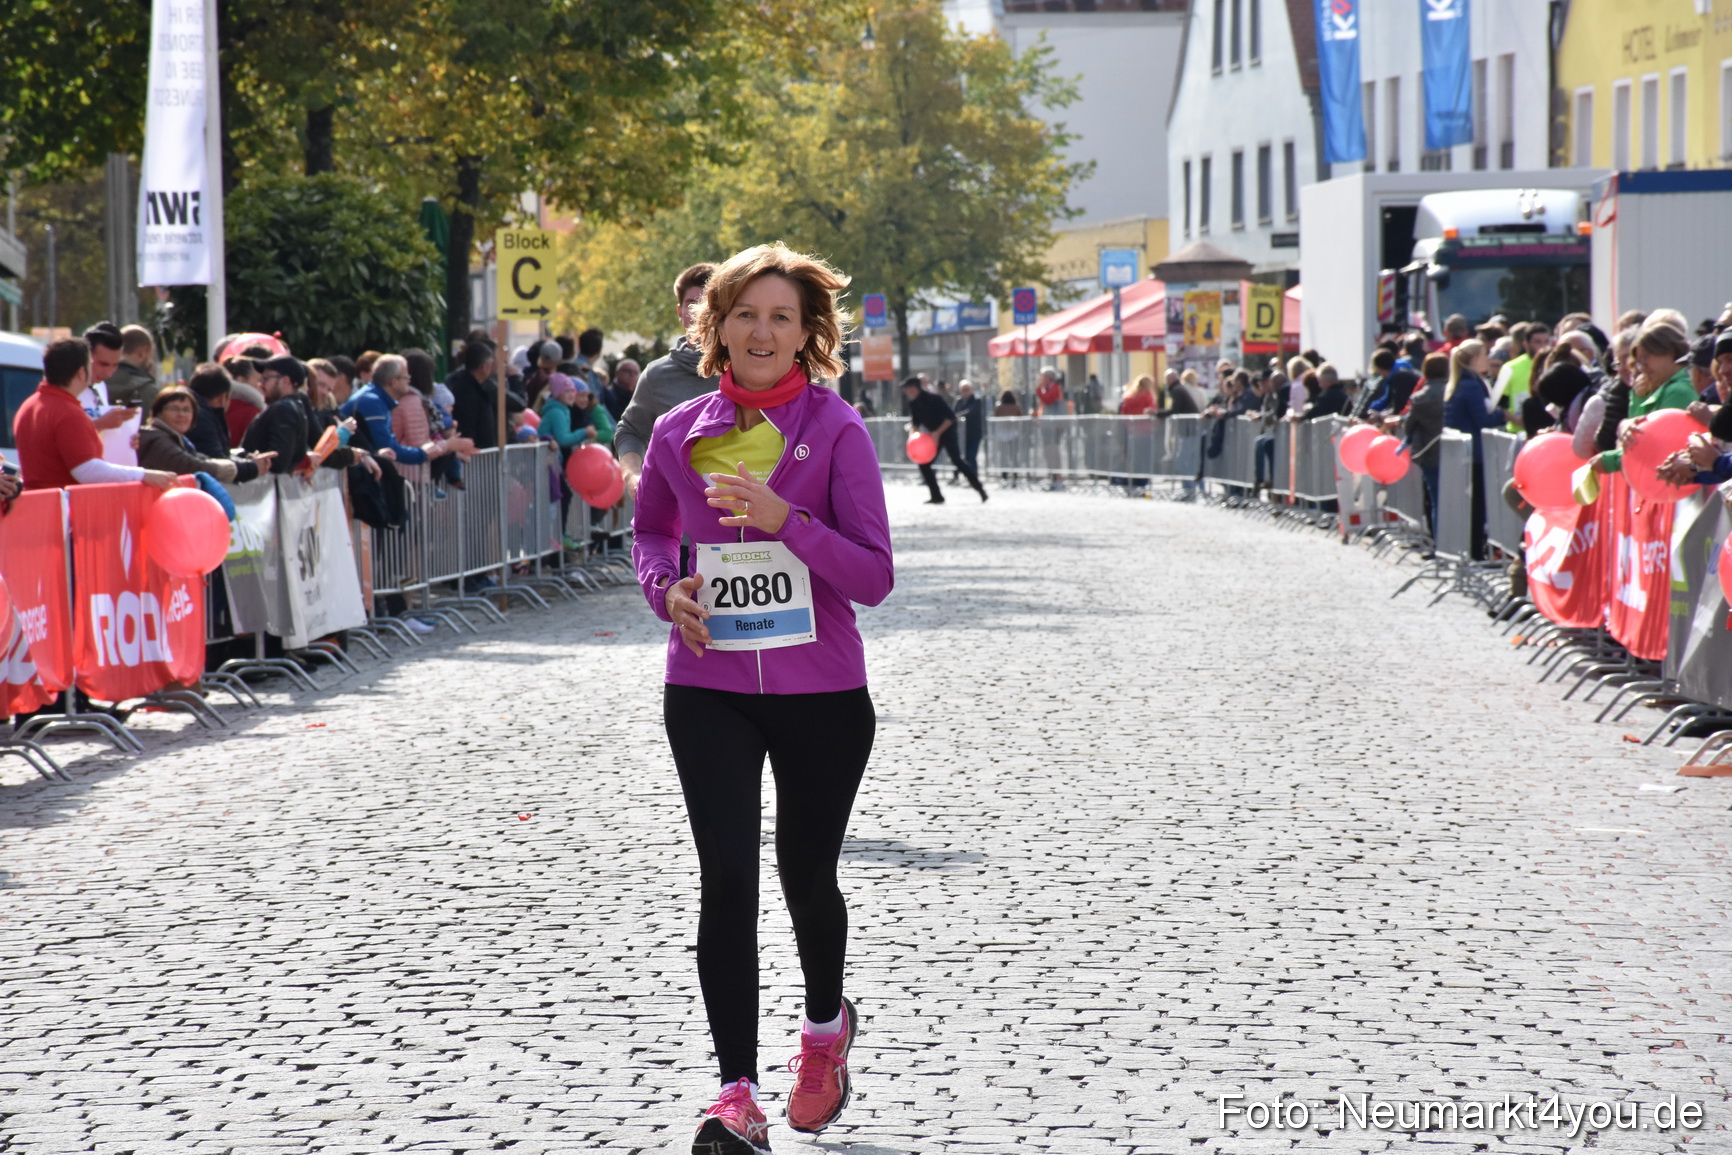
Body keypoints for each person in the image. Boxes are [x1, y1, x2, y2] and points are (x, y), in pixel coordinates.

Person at [631, 242, 892, 1150]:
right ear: (717, 324)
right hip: (707, 686)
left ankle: (824, 1031)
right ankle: (734, 1092)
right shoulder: (680, 431)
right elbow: (651, 533)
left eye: (783, 316)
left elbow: (875, 576)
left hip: (823, 690)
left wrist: (791, 522)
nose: (763, 330)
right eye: (747, 313)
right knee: (726, 884)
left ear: (808, 333)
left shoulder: (840, 432)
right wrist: (665, 590)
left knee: (805, 876)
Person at [14, 338, 176, 491]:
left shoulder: (28, 406)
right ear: (81, 373)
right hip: (66, 512)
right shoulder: (68, 412)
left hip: (39, 508)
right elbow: (87, 470)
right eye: (91, 365)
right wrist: (142, 474)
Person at [618, 263, 721, 497]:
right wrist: (633, 476)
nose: (699, 311)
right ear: (679, 313)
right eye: (691, 304)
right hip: (677, 520)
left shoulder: (751, 369)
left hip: (742, 521)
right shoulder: (657, 376)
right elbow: (629, 430)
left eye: (708, 303)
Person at [1589, 320, 1699, 481]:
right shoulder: (1662, 389)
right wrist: (1638, 398)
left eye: (1646, 357)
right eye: (1639, 361)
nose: (1642, 367)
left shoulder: (1678, 390)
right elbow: (1634, 435)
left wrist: (1610, 461)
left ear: (1670, 352)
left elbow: (1651, 446)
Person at [1442, 339, 1504, 558]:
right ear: (1474, 359)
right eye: (1484, 354)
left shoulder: (1462, 382)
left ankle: (1472, 548)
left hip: (1467, 453)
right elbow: (1483, 419)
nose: (1487, 358)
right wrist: (1502, 414)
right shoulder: (1470, 385)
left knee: (1472, 504)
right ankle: (1476, 551)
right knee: (1477, 505)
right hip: (1475, 454)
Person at [138, 386, 273, 482]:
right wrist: (251, 468)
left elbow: (203, 458)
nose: (181, 415)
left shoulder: (179, 440)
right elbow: (194, 466)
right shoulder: (158, 439)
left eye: (187, 410)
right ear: (158, 413)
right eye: (174, 409)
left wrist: (247, 461)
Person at [902, 376, 987, 503]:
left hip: (947, 432)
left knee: (957, 461)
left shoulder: (934, 398)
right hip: (933, 435)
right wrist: (912, 436)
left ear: (914, 388)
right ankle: (936, 496)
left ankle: (980, 490)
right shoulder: (913, 403)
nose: (905, 392)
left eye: (907, 388)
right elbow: (915, 424)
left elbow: (950, 418)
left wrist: (937, 433)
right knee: (924, 464)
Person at [448, 340, 501, 450]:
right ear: (484, 366)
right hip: (473, 455)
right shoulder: (467, 390)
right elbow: (467, 425)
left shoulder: (467, 385)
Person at [104, 324, 159, 409]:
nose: (152, 360)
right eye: (151, 354)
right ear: (143, 352)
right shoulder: (148, 390)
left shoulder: (97, 383)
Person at [953, 380, 984, 478]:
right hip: (962, 435)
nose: (965, 392)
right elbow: (953, 413)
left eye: (967, 390)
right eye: (963, 390)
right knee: (961, 457)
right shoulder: (958, 401)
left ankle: (973, 476)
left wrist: (959, 416)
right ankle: (957, 476)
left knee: (971, 456)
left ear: (971, 390)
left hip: (974, 434)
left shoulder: (976, 401)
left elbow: (972, 412)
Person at [604, 358, 639, 423]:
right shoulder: (608, 395)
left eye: (636, 373)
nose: (632, 375)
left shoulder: (640, 398)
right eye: (628, 371)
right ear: (617, 373)